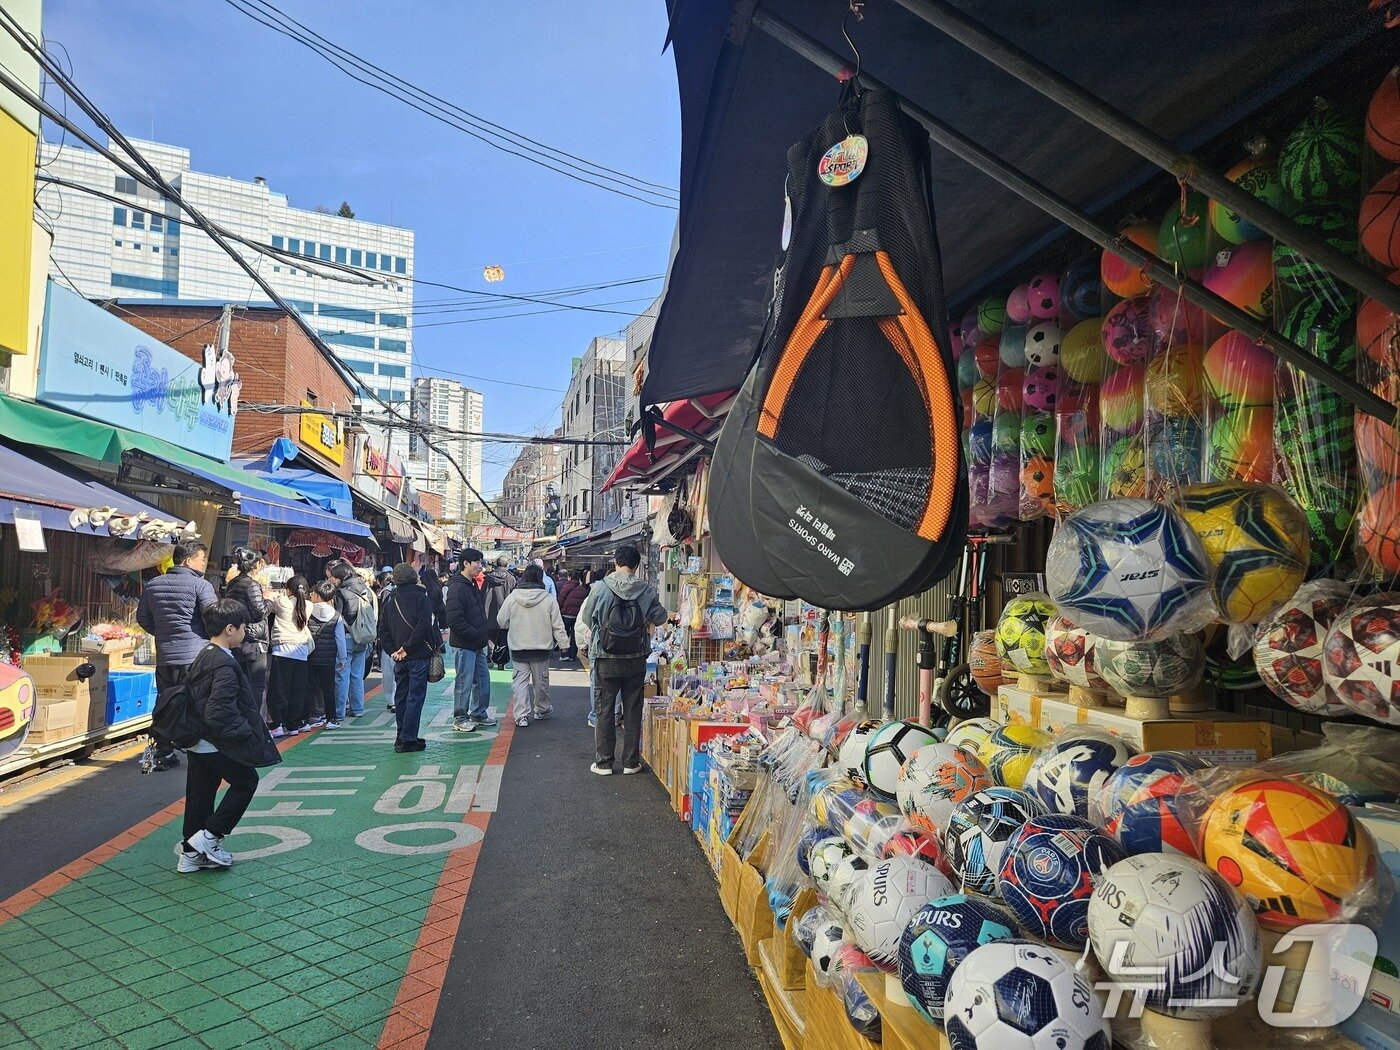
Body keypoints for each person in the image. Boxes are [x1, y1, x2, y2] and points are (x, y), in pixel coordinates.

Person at [177, 599, 281, 873]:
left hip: (198, 740)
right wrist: (245, 732)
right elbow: (219, 711)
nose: (246, 631)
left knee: (200, 796)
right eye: (244, 627)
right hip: (214, 741)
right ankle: (210, 836)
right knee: (246, 781)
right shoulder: (223, 663)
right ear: (230, 629)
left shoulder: (206, 654)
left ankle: (190, 855)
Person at [579, 544, 667, 775]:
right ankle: (631, 762)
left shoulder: (600, 588)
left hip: (605, 657)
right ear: (636, 566)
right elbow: (661, 617)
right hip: (636, 658)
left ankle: (604, 763)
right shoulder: (646, 590)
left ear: (616, 563)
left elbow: (588, 618)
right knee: (632, 708)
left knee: (604, 710)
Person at [137, 540, 218, 772]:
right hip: (194, 655)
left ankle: (163, 752)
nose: (204, 562)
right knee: (195, 702)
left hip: (165, 655)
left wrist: (163, 633)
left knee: (165, 702)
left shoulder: (153, 584)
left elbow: (143, 618)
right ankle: (196, 749)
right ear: (188, 560)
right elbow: (212, 617)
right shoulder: (200, 585)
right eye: (201, 558)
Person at [496, 564, 569, 728]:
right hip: (541, 648)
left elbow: (501, 620)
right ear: (540, 578)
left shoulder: (513, 597)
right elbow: (557, 625)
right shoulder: (548, 598)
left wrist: (512, 625)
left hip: (518, 647)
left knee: (519, 683)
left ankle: (521, 716)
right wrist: (564, 644)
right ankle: (542, 709)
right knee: (540, 682)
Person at [378, 562, 437, 752]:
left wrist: (394, 651)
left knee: (401, 696)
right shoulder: (422, 599)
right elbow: (423, 627)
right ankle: (408, 738)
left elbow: (383, 630)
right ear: (414, 577)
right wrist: (408, 648)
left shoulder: (390, 601)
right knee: (415, 697)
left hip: (399, 658)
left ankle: (402, 734)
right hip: (417, 655)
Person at [446, 548, 495, 732]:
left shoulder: (472, 584)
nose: (480, 566)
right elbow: (454, 621)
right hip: (464, 644)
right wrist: (475, 634)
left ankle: (479, 713)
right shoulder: (457, 587)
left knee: (482, 680)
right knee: (464, 682)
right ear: (465, 563)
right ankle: (460, 717)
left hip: (477, 643)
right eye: (477, 562)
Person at [328, 560, 376, 721]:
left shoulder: (341, 593)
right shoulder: (366, 590)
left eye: (333, 577)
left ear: (340, 576)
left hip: (346, 638)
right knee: (357, 674)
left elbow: (338, 618)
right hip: (363, 637)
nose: (331, 580)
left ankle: (339, 712)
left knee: (342, 675)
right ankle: (358, 708)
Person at [267, 575, 312, 737]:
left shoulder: (282, 602)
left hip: (282, 651)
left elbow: (268, 606)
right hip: (301, 652)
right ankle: (294, 724)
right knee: (297, 690)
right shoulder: (309, 605)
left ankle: (277, 724)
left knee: (279, 690)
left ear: (288, 590)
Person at [307, 581, 347, 729]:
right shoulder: (336, 616)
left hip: (310, 656)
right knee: (328, 689)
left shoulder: (308, 611)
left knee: (309, 687)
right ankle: (331, 719)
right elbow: (340, 640)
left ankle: (307, 718)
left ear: (317, 595)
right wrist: (342, 658)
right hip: (328, 658)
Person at [482, 556, 516, 670]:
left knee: (490, 636)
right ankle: (501, 661)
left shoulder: (488, 578)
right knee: (502, 637)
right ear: (507, 565)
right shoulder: (511, 579)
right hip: (505, 613)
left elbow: (483, 594)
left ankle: (490, 655)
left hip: (489, 612)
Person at [557, 568, 587, 662]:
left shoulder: (566, 586)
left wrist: (558, 610)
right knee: (574, 635)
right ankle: (572, 656)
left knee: (564, 634)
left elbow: (561, 599)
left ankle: (564, 654)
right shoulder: (583, 589)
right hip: (577, 616)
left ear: (569, 577)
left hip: (566, 614)